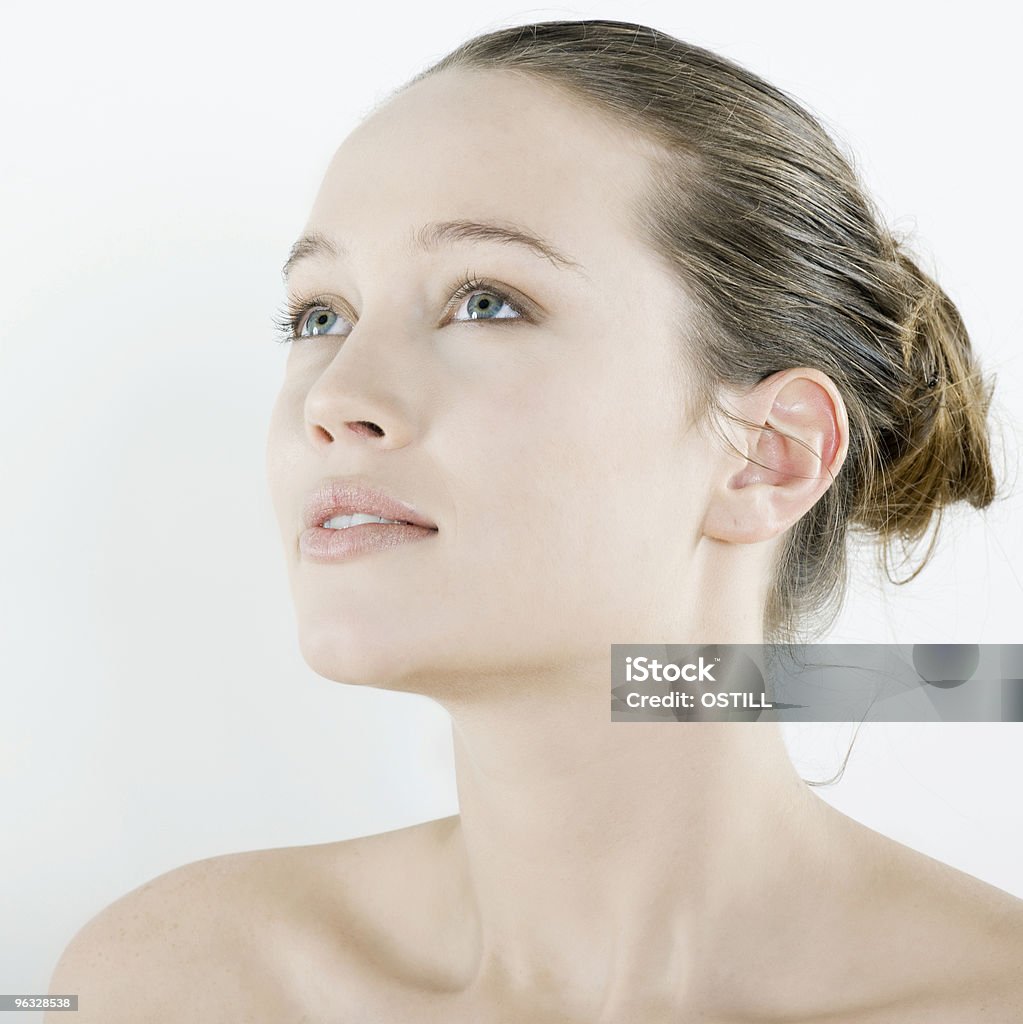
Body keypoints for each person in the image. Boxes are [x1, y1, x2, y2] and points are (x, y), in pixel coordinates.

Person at [47, 19, 1022, 1023]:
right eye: (319, 315)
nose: (333, 396)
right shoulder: (165, 984)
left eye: (486, 301)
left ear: (769, 452)